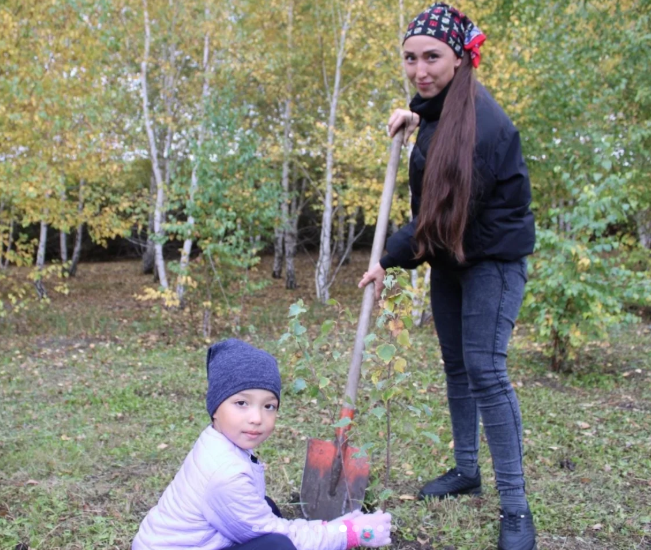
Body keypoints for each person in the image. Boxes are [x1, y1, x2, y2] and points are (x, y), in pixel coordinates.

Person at [357, 4, 536, 550]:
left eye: (432, 57)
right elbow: (436, 126)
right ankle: (466, 470)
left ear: (459, 58)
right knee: (457, 366)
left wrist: (385, 259)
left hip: (491, 261)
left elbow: (438, 216)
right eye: (410, 58)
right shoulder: (442, 108)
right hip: (453, 257)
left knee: (485, 371)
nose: (420, 70)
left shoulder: (483, 126)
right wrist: (414, 117)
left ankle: (516, 509)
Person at [133, 339, 392, 550]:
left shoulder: (217, 441)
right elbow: (275, 535)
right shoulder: (226, 474)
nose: (257, 418)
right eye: (241, 403)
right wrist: (349, 533)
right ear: (215, 408)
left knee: (266, 506)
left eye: (269, 406)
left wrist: (340, 526)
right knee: (277, 546)